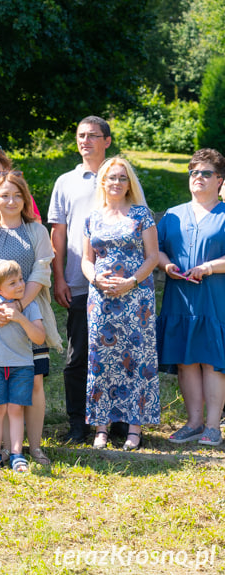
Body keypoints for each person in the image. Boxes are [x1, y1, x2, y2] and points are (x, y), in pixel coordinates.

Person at [49, 116, 133, 444]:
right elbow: (59, 232)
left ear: (107, 141)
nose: (85, 141)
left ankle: (119, 424)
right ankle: (77, 422)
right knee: (78, 356)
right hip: (80, 282)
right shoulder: (66, 182)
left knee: (120, 356)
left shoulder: (121, 177)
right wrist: (59, 278)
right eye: (80, 135)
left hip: (122, 286)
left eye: (93, 136)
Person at [0, 172, 62, 464]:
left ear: (25, 199)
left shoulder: (37, 232)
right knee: (2, 387)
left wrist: (20, 305)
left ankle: (33, 447)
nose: (10, 201)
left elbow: (41, 270)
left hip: (29, 314)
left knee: (33, 383)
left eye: (17, 195)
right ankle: (6, 450)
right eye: (4, 195)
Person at [81, 157, 159, 451]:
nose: (116, 183)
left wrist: (132, 281)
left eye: (122, 178)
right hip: (101, 299)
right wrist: (96, 280)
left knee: (135, 357)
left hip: (136, 299)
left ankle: (134, 428)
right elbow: (86, 260)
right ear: (103, 181)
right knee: (102, 359)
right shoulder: (93, 216)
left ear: (130, 183)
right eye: (111, 177)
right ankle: (102, 427)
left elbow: (153, 256)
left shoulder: (141, 214)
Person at [157, 148, 225, 447]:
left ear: (220, 179)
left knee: (211, 361)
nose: (198, 177)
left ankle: (213, 426)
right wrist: (166, 265)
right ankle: (194, 423)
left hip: (214, 297)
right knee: (185, 360)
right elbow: (155, 248)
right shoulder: (173, 214)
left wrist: (209, 267)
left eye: (206, 173)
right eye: (194, 172)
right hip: (180, 296)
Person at [0, 259, 45, 472]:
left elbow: (40, 338)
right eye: (13, 283)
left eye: (21, 280)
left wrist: (19, 318)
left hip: (22, 365)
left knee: (16, 409)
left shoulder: (30, 306)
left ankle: (17, 454)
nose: (21, 285)